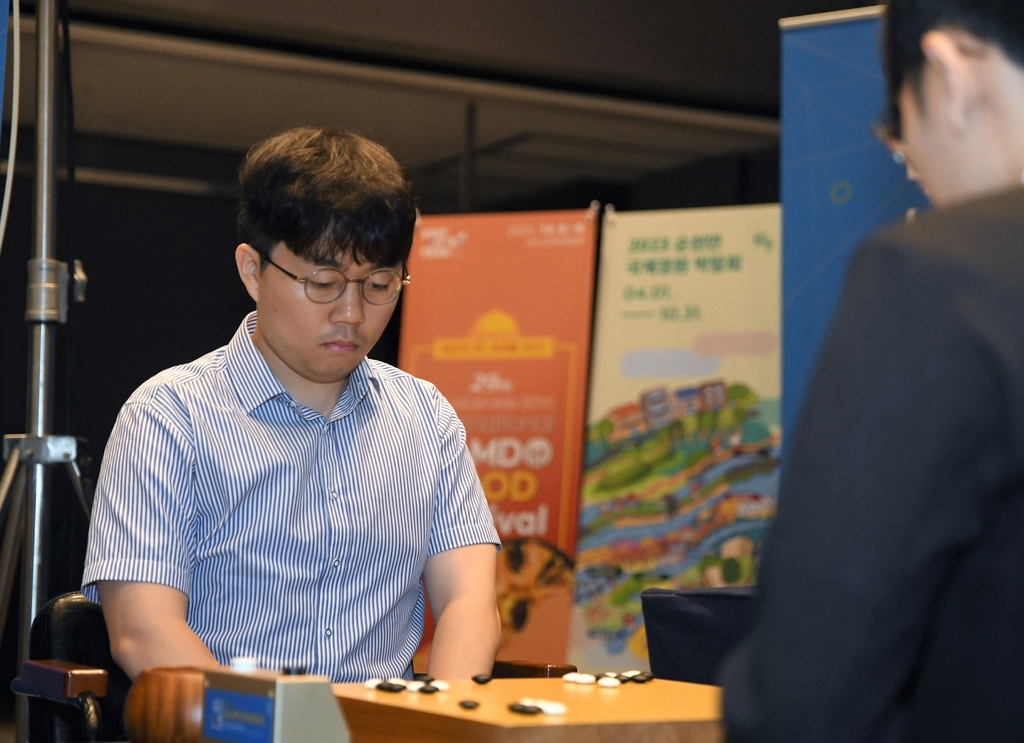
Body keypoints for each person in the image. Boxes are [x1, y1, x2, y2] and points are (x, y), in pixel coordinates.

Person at [81, 127, 502, 683]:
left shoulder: (425, 419)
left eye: (379, 283)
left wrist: (447, 725)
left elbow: (468, 605)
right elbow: (144, 631)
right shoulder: (168, 417)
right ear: (252, 270)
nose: (352, 312)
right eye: (324, 282)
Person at [721, 0, 1024, 740]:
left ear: (952, 74)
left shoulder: (940, 275)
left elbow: (807, 688)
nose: (919, 176)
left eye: (902, 139)